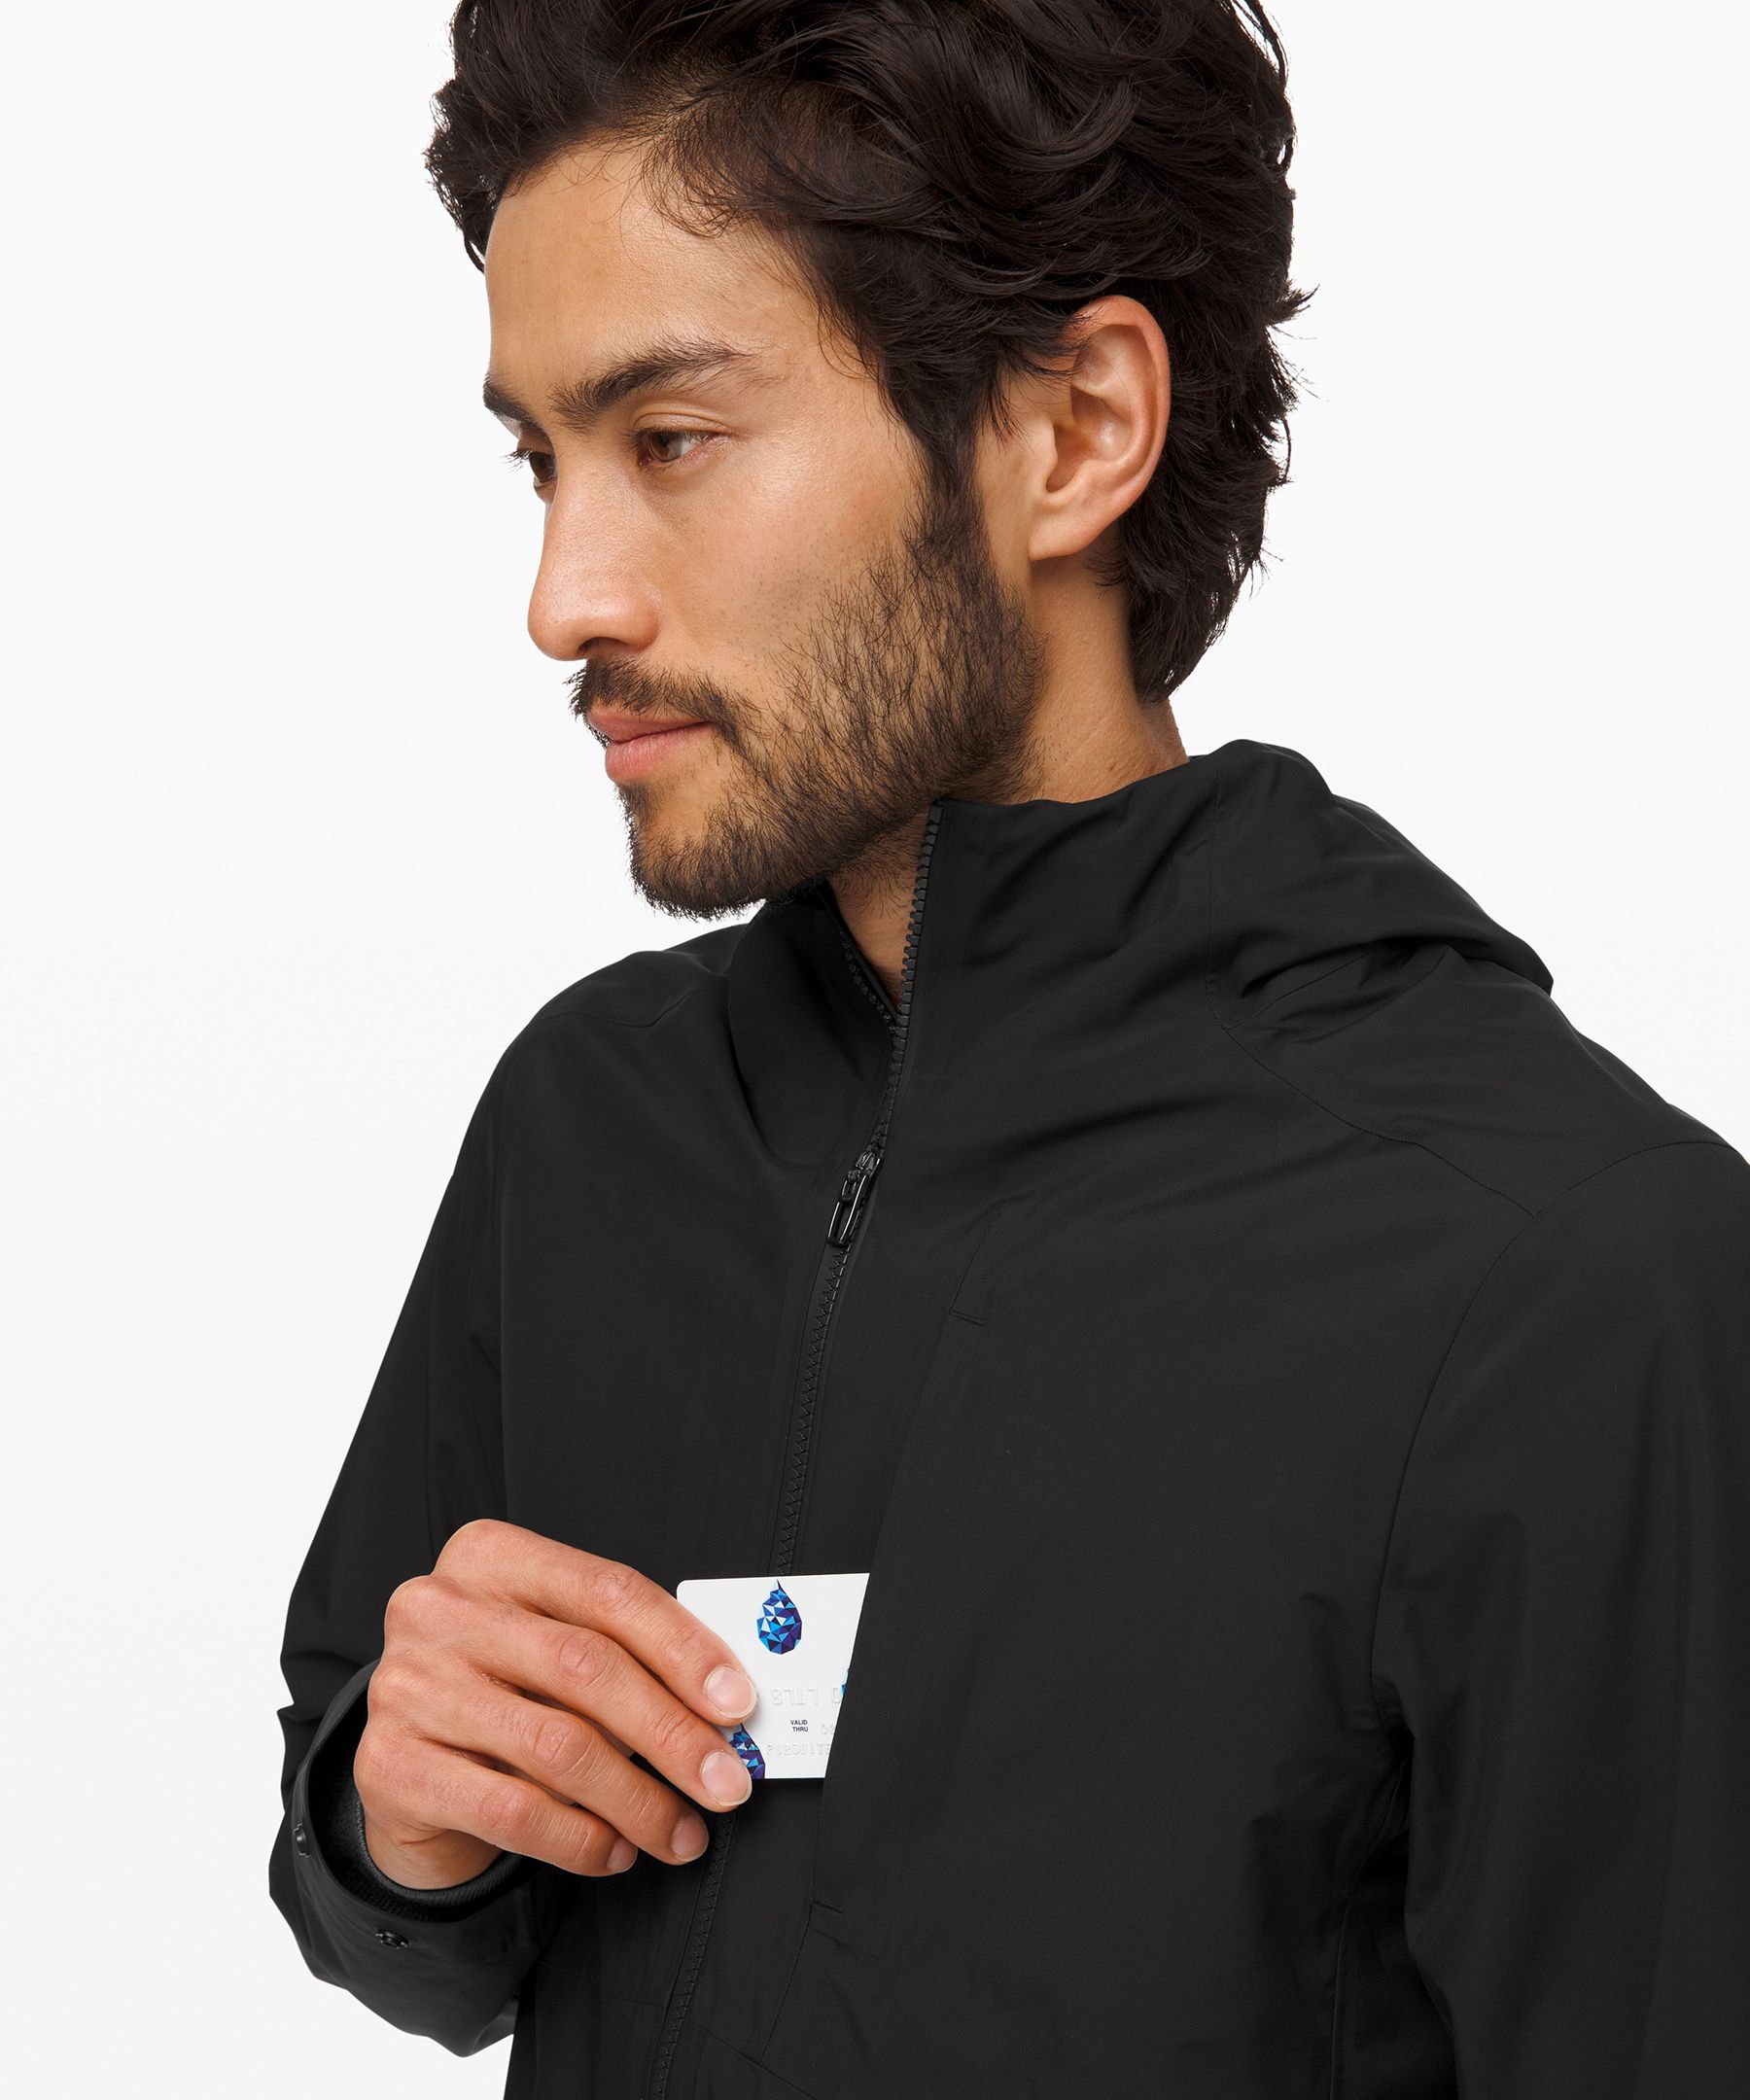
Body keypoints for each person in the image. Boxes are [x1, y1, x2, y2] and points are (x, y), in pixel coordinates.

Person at [268, 3, 1750, 2094]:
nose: (562, 594)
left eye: (669, 438)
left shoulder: (1569, 1271)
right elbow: (414, 1893)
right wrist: (389, 1821)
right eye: (540, 459)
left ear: (1073, 432)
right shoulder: (590, 1120)